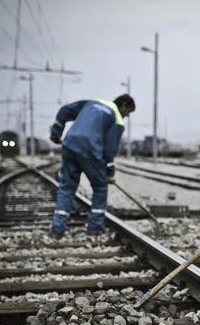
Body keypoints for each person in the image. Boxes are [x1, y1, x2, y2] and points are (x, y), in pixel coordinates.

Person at [49, 95, 136, 236]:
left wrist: (57, 131)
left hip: (69, 145)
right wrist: (109, 169)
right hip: (89, 149)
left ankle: (58, 227)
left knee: (66, 187)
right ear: (124, 105)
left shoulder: (91, 104)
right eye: (129, 112)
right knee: (100, 187)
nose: (127, 116)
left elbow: (65, 110)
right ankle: (95, 227)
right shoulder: (117, 119)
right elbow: (110, 148)